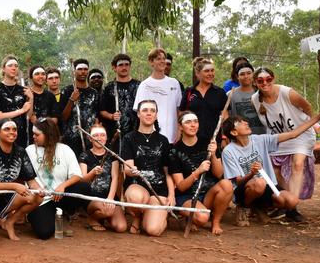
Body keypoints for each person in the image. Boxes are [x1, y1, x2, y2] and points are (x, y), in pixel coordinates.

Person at [221, 112, 320, 226]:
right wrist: (252, 173)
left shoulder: (260, 140)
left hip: (268, 184)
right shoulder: (228, 151)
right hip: (244, 189)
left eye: (244, 121)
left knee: (292, 201)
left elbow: (293, 134)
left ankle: (259, 207)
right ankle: (243, 207)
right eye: (240, 122)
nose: (246, 123)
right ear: (234, 132)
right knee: (259, 183)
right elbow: (238, 181)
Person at [251, 67, 318, 222]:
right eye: (260, 81)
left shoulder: (286, 92)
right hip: (280, 137)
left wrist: (312, 123)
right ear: (256, 83)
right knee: (274, 169)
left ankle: (292, 208)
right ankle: (286, 202)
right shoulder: (255, 99)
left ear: (273, 78)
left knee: (298, 164)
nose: (265, 83)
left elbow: (307, 106)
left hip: (301, 133)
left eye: (268, 79)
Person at [168, 112, 233, 234]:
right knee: (202, 218)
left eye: (195, 121)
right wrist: (197, 172)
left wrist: (213, 154)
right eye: (188, 122)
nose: (193, 125)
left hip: (208, 194)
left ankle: (216, 222)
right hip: (187, 196)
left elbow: (219, 174)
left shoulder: (208, 143)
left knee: (227, 184)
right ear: (180, 127)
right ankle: (187, 217)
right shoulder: (174, 151)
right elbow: (181, 186)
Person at [26, 118, 85, 239]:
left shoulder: (65, 149)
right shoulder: (29, 150)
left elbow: (77, 175)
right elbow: (26, 177)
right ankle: (45, 216)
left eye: (37, 134)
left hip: (61, 196)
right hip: (41, 199)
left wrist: (62, 186)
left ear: (48, 134)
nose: (33, 137)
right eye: (33, 134)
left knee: (83, 187)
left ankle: (65, 214)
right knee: (44, 233)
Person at [121, 100, 174, 237]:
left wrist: (171, 196)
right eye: (145, 110)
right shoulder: (129, 138)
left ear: (156, 115)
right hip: (137, 186)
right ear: (138, 114)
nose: (149, 113)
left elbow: (168, 171)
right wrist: (132, 171)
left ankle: (156, 216)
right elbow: (127, 169)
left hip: (159, 190)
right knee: (135, 197)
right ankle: (138, 217)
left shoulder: (163, 140)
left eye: (152, 110)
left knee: (153, 230)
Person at [78, 125, 127, 233]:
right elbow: (82, 180)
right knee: (107, 211)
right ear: (90, 139)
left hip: (109, 196)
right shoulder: (85, 156)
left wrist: (110, 198)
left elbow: (115, 178)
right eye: (95, 135)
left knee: (121, 227)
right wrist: (92, 173)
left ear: (106, 138)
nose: (99, 138)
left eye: (102, 135)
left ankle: (103, 217)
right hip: (91, 198)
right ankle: (92, 218)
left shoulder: (112, 155)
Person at [133, 48, 182, 143]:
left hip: (172, 137)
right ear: (151, 62)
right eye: (158, 59)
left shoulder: (174, 83)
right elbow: (140, 113)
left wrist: (179, 131)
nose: (162, 61)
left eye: (164, 58)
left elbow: (179, 110)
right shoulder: (144, 85)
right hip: (151, 137)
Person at [179, 57, 228, 148]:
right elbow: (181, 115)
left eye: (212, 70)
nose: (210, 74)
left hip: (214, 141)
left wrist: (224, 137)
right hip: (191, 140)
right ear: (197, 73)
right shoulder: (189, 91)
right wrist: (180, 135)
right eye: (206, 71)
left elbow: (225, 117)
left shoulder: (220, 92)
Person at [0, 55, 33, 147]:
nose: (14, 68)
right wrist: (21, 111)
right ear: (3, 69)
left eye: (16, 66)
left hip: (20, 136)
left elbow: (28, 116)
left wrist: (31, 98)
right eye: (10, 65)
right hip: (3, 137)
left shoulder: (23, 90)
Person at [61, 58, 100, 157]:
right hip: (71, 139)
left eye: (85, 69)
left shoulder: (94, 93)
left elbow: (97, 116)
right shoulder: (66, 91)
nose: (83, 72)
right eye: (80, 69)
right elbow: (63, 117)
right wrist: (72, 100)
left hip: (90, 139)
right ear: (74, 71)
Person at [100, 53, 140, 146]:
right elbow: (102, 111)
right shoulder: (109, 87)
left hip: (136, 132)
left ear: (130, 66)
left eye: (127, 65)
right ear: (114, 67)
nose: (124, 67)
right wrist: (112, 116)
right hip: (115, 134)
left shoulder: (139, 86)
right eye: (121, 65)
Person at [227, 62, 265, 135]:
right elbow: (227, 119)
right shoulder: (230, 94)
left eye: (249, 73)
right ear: (237, 76)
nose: (246, 76)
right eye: (242, 74)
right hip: (241, 138)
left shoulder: (262, 92)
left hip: (263, 136)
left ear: (253, 74)